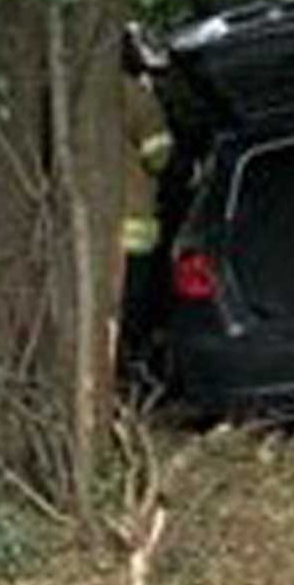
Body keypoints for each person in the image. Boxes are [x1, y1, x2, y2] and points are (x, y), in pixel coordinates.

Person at [119, 23, 171, 380]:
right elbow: (160, 157)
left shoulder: (71, 96)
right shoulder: (137, 97)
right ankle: (135, 363)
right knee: (136, 305)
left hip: (86, 236)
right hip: (135, 225)